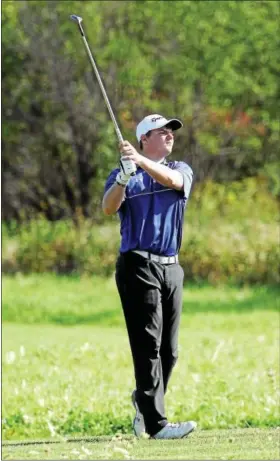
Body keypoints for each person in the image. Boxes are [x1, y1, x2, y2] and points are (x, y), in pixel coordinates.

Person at [102, 114, 196, 439]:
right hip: (137, 265)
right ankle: (156, 425)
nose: (170, 135)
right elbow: (108, 207)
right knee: (148, 347)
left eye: (172, 131)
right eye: (163, 131)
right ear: (144, 137)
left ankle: (144, 402)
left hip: (172, 267)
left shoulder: (180, 168)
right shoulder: (125, 174)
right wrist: (124, 178)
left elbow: (176, 183)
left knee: (170, 351)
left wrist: (139, 161)